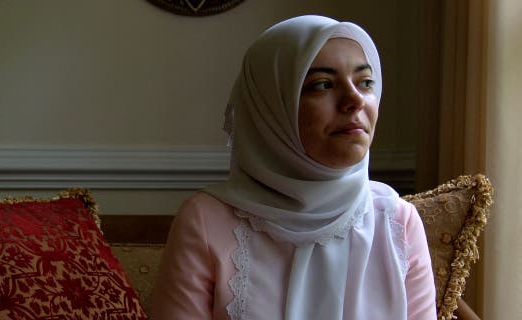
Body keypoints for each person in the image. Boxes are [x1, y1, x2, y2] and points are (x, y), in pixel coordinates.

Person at [151, 15, 436, 320]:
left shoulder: (396, 222)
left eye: (365, 82)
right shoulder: (206, 219)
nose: (355, 100)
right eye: (323, 85)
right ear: (271, 107)